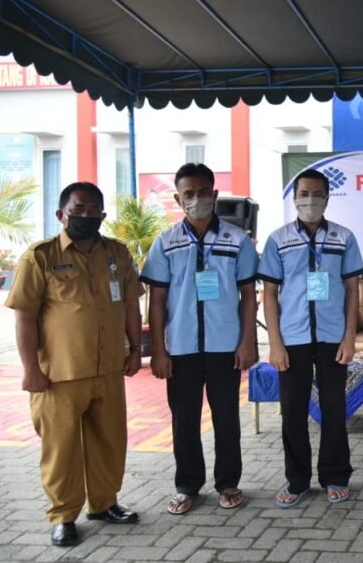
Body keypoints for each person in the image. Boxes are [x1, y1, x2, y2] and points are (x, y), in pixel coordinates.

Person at [6, 182, 142, 547]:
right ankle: (64, 515)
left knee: (110, 442)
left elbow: (131, 304)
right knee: (61, 449)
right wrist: (30, 369)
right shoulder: (40, 256)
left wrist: (134, 350)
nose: (86, 215)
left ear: (103, 215)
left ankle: (104, 503)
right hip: (58, 374)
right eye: (77, 209)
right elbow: (24, 317)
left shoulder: (117, 253)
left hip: (109, 368)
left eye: (93, 209)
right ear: (60, 214)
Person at [141, 163, 258, 515]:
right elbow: (157, 300)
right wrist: (158, 350)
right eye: (188, 194)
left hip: (226, 346)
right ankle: (188, 484)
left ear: (215, 194)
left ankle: (228, 482)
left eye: (203, 192)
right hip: (181, 348)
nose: (196, 199)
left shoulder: (237, 240)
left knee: (226, 418)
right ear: (178, 198)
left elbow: (249, 294)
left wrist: (248, 341)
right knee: (184, 420)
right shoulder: (165, 242)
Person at [258, 169, 363, 506]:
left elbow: (352, 291)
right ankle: (297, 480)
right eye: (304, 193)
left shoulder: (344, 237)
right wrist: (275, 343)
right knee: (292, 411)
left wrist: (350, 337)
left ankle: (335, 475)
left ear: (328, 198)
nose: (311, 200)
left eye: (318, 194)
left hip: (333, 337)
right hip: (292, 339)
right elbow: (269, 294)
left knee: (334, 408)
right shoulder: (278, 239)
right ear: (295, 197)